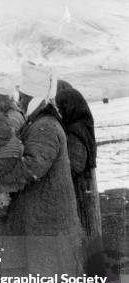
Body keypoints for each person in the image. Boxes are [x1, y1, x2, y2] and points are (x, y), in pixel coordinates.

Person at [5, 61, 83, 283]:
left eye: (24, 97)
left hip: (49, 208)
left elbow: (33, 166)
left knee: (50, 256)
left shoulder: (45, 127)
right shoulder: (42, 123)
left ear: (34, 97)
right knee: (48, 256)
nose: (20, 101)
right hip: (48, 207)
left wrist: (5, 175)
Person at [55, 87, 98, 236]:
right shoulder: (82, 127)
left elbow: (75, 166)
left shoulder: (75, 132)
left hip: (79, 192)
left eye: (60, 107)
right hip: (83, 190)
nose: (58, 113)